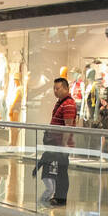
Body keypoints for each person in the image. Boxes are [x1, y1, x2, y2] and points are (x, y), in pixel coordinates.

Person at [38, 77, 77, 208]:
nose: (55, 91)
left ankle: (60, 198)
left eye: (58, 88)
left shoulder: (69, 104)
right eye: (54, 88)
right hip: (55, 144)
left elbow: (68, 126)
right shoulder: (60, 102)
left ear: (66, 88)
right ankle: (58, 196)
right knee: (58, 170)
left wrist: (64, 144)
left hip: (61, 145)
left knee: (62, 171)